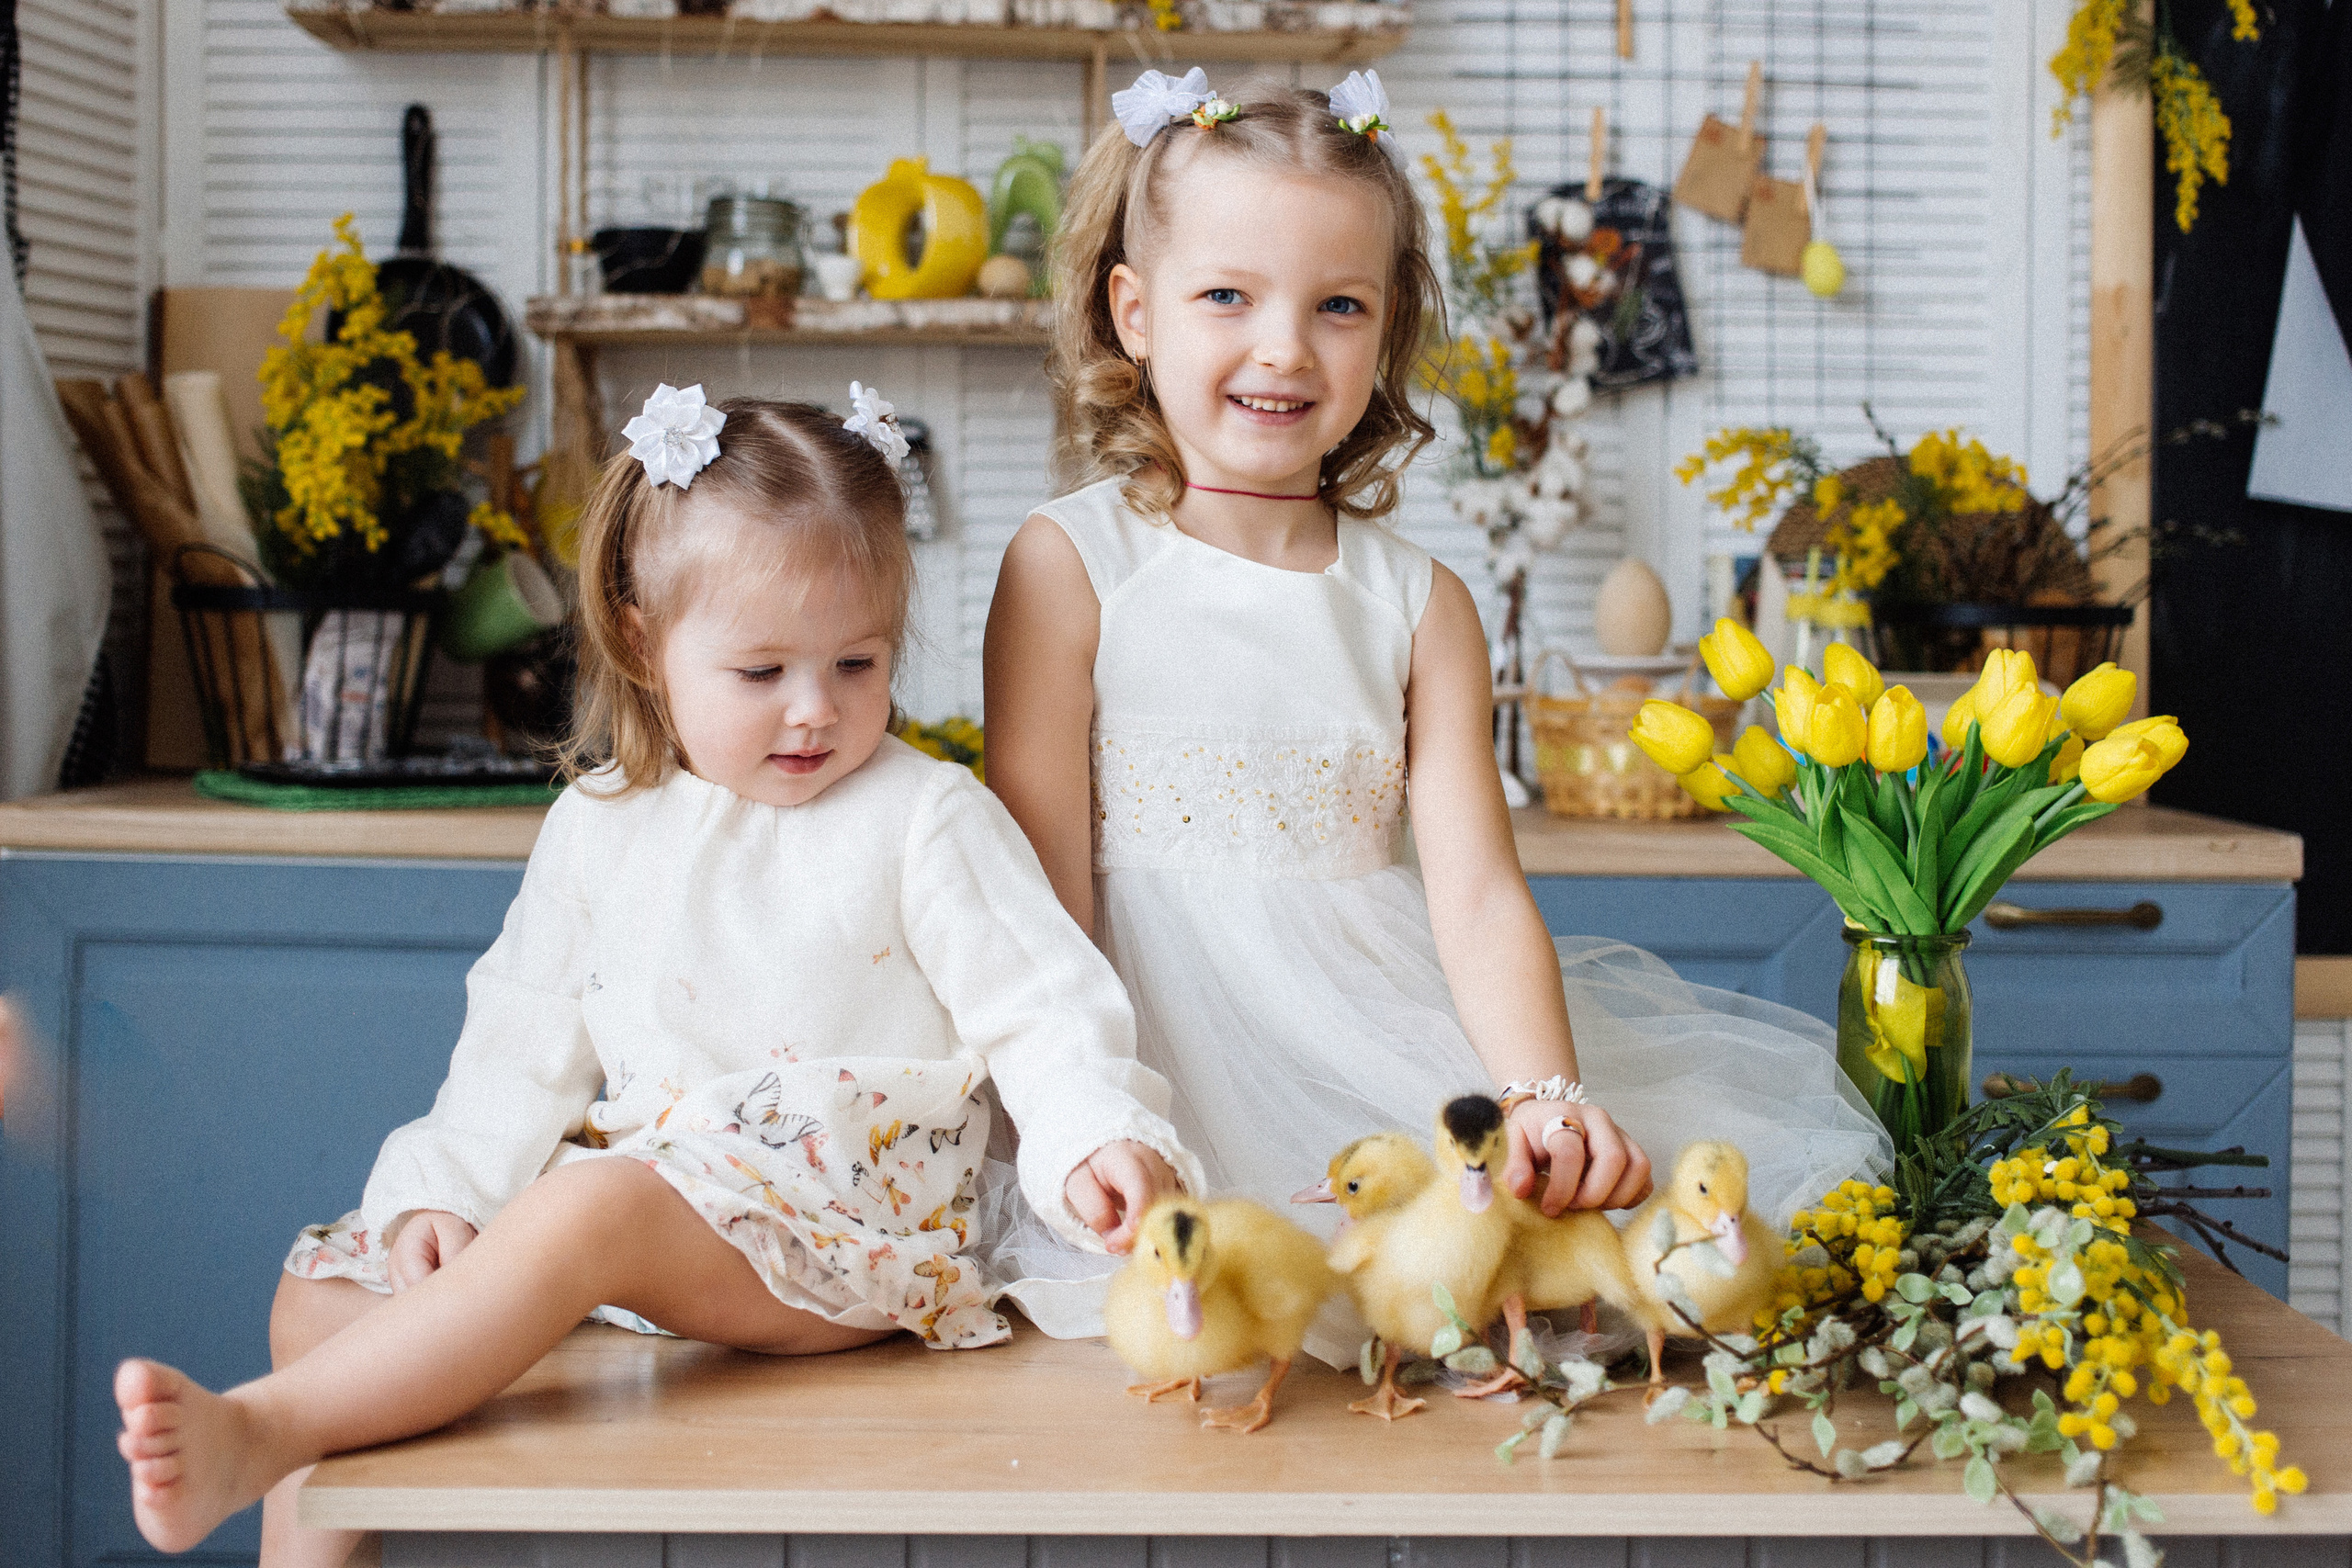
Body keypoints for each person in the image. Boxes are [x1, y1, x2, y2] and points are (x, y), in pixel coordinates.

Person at [114, 387, 1198, 1563]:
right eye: (761, 670)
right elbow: (519, 1038)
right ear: (643, 643)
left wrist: (1093, 1136)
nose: (815, 709)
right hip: (655, 1217)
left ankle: (259, 1431)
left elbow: (1040, 1003)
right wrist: (447, 1196)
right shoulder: (600, 823)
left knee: (593, 1206)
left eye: (856, 661)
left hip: (847, 1235)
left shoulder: (924, 815)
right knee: (327, 1290)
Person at [978, 71, 1890, 1345]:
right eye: (1228, 296)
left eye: (1338, 305)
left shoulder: (1418, 602)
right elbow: (1036, 904)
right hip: (1143, 1067)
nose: (1285, 345)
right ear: (1135, 312)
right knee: (1201, 1311)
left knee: (1535, 1265)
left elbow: (1476, 896)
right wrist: (1077, 1112)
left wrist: (1540, 1092)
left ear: (1389, 327)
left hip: (1366, 1035)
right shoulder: (1069, 564)